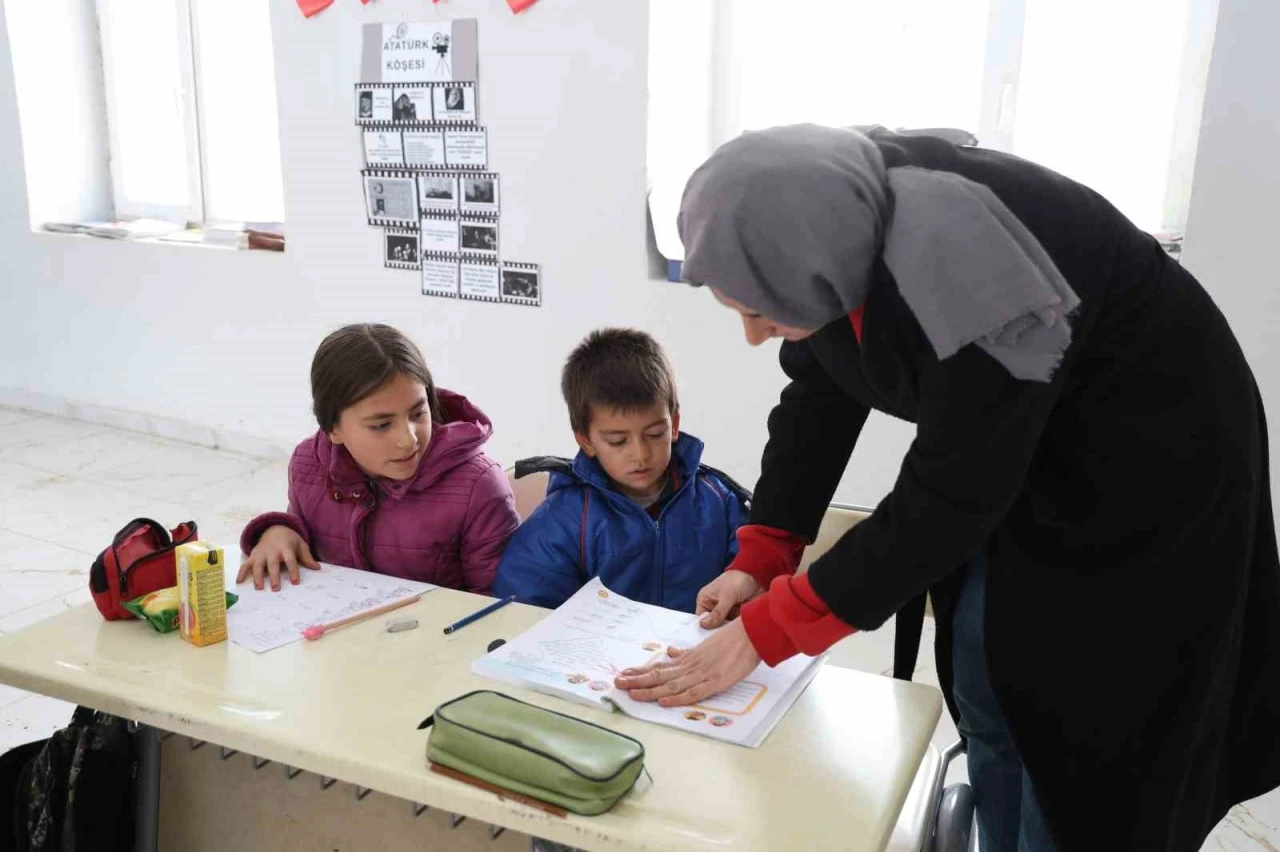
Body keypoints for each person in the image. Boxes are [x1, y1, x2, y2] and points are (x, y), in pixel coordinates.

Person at [614, 124, 1280, 852]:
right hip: (1025, 452)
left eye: (757, 312)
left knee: (1087, 728)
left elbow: (948, 498)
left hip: (1151, 471)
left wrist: (767, 632)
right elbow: (820, 394)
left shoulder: (971, 265)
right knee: (987, 673)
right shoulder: (832, 228)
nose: (753, 335)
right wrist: (763, 554)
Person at [238, 323, 518, 594]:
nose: (408, 440)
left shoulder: (478, 486)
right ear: (332, 428)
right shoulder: (307, 463)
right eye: (381, 425)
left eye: (418, 413)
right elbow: (302, 541)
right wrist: (280, 530)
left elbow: (500, 606)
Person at [492, 328, 750, 611]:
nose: (640, 455)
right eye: (618, 441)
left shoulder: (720, 502)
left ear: (674, 425)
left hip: (704, 638)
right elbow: (524, 606)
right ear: (585, 440)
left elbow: (755, 583)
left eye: (655, 434)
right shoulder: (565, 519)